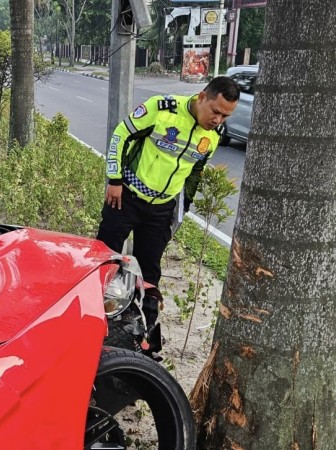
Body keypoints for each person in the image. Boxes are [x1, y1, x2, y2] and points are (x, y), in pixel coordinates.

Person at [97, 76, 240, 356]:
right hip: (126, 198)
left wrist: (181, 209)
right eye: (216, 111)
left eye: (225, 116)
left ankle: (144, 340)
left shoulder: (212, 136)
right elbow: (120, 135)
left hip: (161, 210)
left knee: (150, 273)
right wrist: (114, 179)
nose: (219, 120)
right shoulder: (162, 109)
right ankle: (91, 320)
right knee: (103, 260)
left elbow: (195, 173)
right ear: (202, 97)